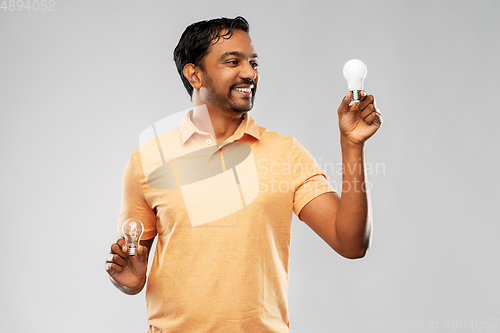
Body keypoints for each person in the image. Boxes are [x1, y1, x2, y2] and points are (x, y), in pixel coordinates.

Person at [105, 16, 382, 333]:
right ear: (195, 74)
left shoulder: (285, 153)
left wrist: (351, 145)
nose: (250, 73)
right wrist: (131, 281)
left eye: (253, 62)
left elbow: (351, 243)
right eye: (233, 61)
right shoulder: (148, 159)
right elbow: (133, 270)